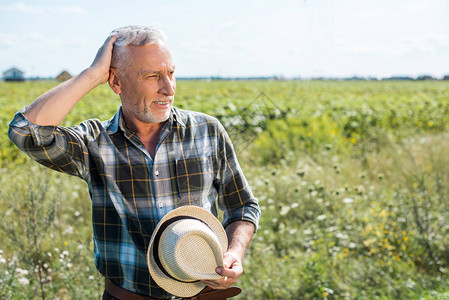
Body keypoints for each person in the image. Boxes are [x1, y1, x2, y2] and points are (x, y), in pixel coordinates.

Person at [8, 25, 261, 299]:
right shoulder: (95, 142)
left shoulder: (207, 131)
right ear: (116, 82)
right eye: (153, 76)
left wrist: (234, 252)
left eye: (171, 74)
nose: (168, 88)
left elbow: (242, 206)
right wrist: (92, 75)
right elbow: (26, 131)